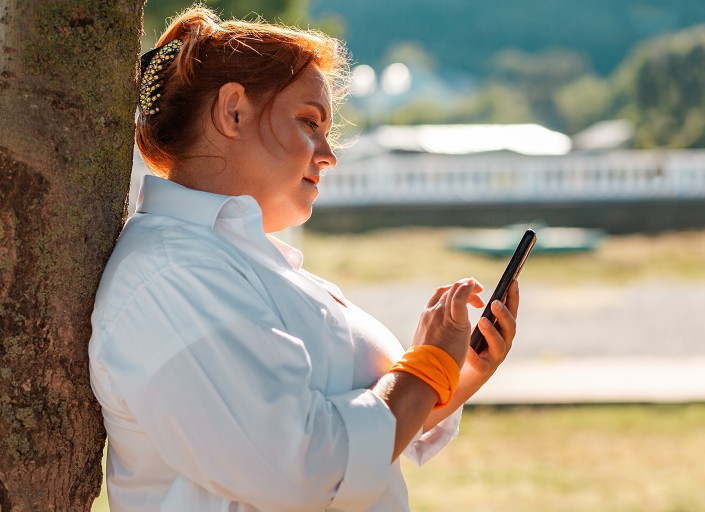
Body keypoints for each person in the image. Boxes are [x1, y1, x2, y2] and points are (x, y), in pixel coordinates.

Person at [89, 6, 520, 512]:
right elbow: (303, 470)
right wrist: (426, 369)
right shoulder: (169, 275)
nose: (328, 152)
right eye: (309, 122)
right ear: (233, 111)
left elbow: (350, 425)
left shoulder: (235, 259)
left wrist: (458, 368)